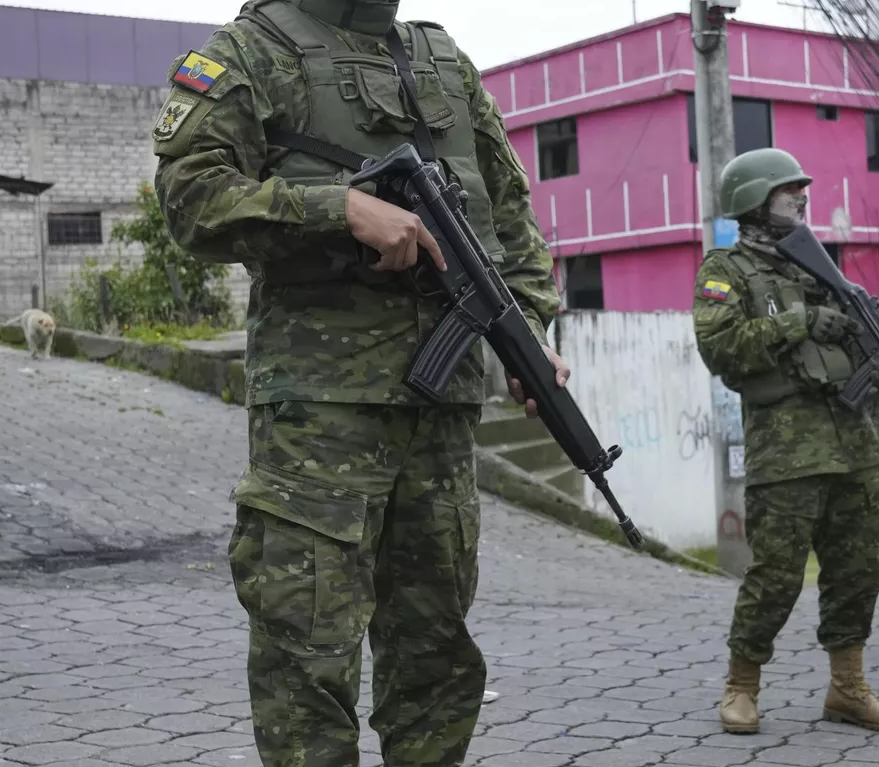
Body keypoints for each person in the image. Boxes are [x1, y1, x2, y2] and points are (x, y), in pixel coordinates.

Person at [151, 2, 569, 765]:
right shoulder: (256, 49)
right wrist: (336, 207)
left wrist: (529, 336)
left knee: (436, 657)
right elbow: (190, 194)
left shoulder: (441, 59)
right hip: (320, 414)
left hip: (440, 418)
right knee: (306, 659)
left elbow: (506, 212)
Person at [692, 147, 879, 735]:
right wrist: (801, 323)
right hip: (787, 454)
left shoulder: (823, 270)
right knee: (778, 576)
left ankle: (847, 687)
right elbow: (722, 348)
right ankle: (742, 685)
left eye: (801, 188)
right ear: (755, 201)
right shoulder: (725, 270)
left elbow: (861, 354)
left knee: (857, 572)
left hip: (853, 446)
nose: (802, 197)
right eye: (789, 189)